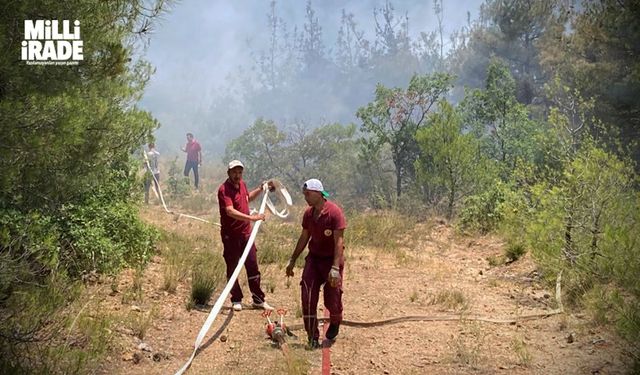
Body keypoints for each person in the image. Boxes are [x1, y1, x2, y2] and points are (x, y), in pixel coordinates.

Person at [286, 178, 346, 349]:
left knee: (332, 298)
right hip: (314, 259)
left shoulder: (335, 213)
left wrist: (335, 268)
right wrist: (292, 259)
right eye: (304, 194)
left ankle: (335, 321)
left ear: (319, 193)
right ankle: (312, 336)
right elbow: (304, 237)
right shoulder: (308, 214)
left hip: (331, 260)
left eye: (308, 194)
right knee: (308, 295)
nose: (306, 197)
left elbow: (338, 242)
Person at [217, 159, 274, 312]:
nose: (237, 175)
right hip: (231, 236)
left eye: (240, 172)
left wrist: (262, 189)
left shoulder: (242, 184)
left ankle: (258, 299)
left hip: (246, 235)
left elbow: (248, 198)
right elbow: (229, 210)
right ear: (228, 173)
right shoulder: (224, 190)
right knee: (233, 267)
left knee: (252, 265)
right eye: (234, 172)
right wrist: (252, 218)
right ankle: (236, 299)